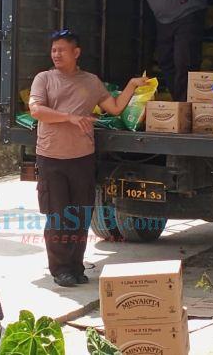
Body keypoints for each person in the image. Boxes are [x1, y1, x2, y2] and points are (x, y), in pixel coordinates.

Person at [29, 30, 147, 287]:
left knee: (81, 216)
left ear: (76, 52)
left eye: (61, 49)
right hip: (51, 158)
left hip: (82, 157)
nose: (56, 54)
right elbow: (36, 110)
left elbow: (114, 108)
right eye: (53, 50)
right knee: (58, 217)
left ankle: (75, 266)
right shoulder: (44, 78)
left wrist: (132, 85)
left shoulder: (91, 81)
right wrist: (70, 117)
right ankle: (60, 269)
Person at [99, 0, 207, 101]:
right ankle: (180, 103)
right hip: (163, 19)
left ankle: (185, 106)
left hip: (188, 11)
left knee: (184, 61)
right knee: (165, 61)